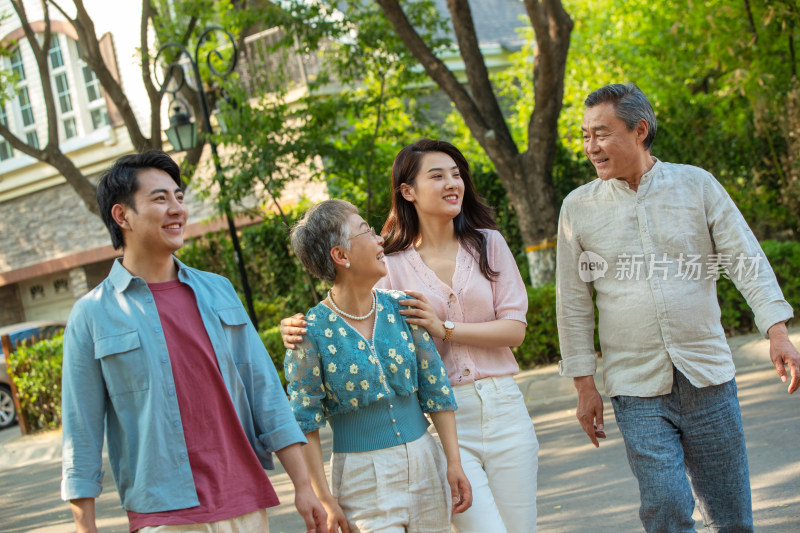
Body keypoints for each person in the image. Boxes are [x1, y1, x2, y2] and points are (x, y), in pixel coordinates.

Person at [556, 82, 800, 532]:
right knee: (667, 504)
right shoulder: (578, 208)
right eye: (585, 135)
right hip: (635, 385)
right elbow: (572, 304)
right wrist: (584, 385)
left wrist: (778, 332)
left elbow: (746, 260)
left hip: (708, 375)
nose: (591, 146)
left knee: (732, 516)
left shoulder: (696, 184)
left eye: (602, 134)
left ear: (640, 130)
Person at [60, 150, 327, 533]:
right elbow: (80, 430)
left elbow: (263, 390)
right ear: (122, 216)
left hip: (245, 501)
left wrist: (304, 487)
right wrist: (86, 527)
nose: (177, 209)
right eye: (159, 198)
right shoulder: (92, 315)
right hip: (164, 513)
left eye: (178, 197)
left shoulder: (218, 290)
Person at [282, 140, 538, 533]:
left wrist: (443, 328)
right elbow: (352, 307)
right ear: (408, 191)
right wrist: (301, 328)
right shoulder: (391, 265)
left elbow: (515, 329)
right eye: (437, 175)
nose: (452, 183)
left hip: (504, 405)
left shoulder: (488, 244)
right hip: (445, 421)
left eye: (456, 174)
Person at [284, 199, 472, 533]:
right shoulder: (308, 333)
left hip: (425, 462)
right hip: (362, 478)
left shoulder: (404, 307)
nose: (379, 239)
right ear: (341, 256)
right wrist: (326, 499)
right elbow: (305, 422)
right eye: (367, 231)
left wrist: (454, 463)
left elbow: (436, 390)